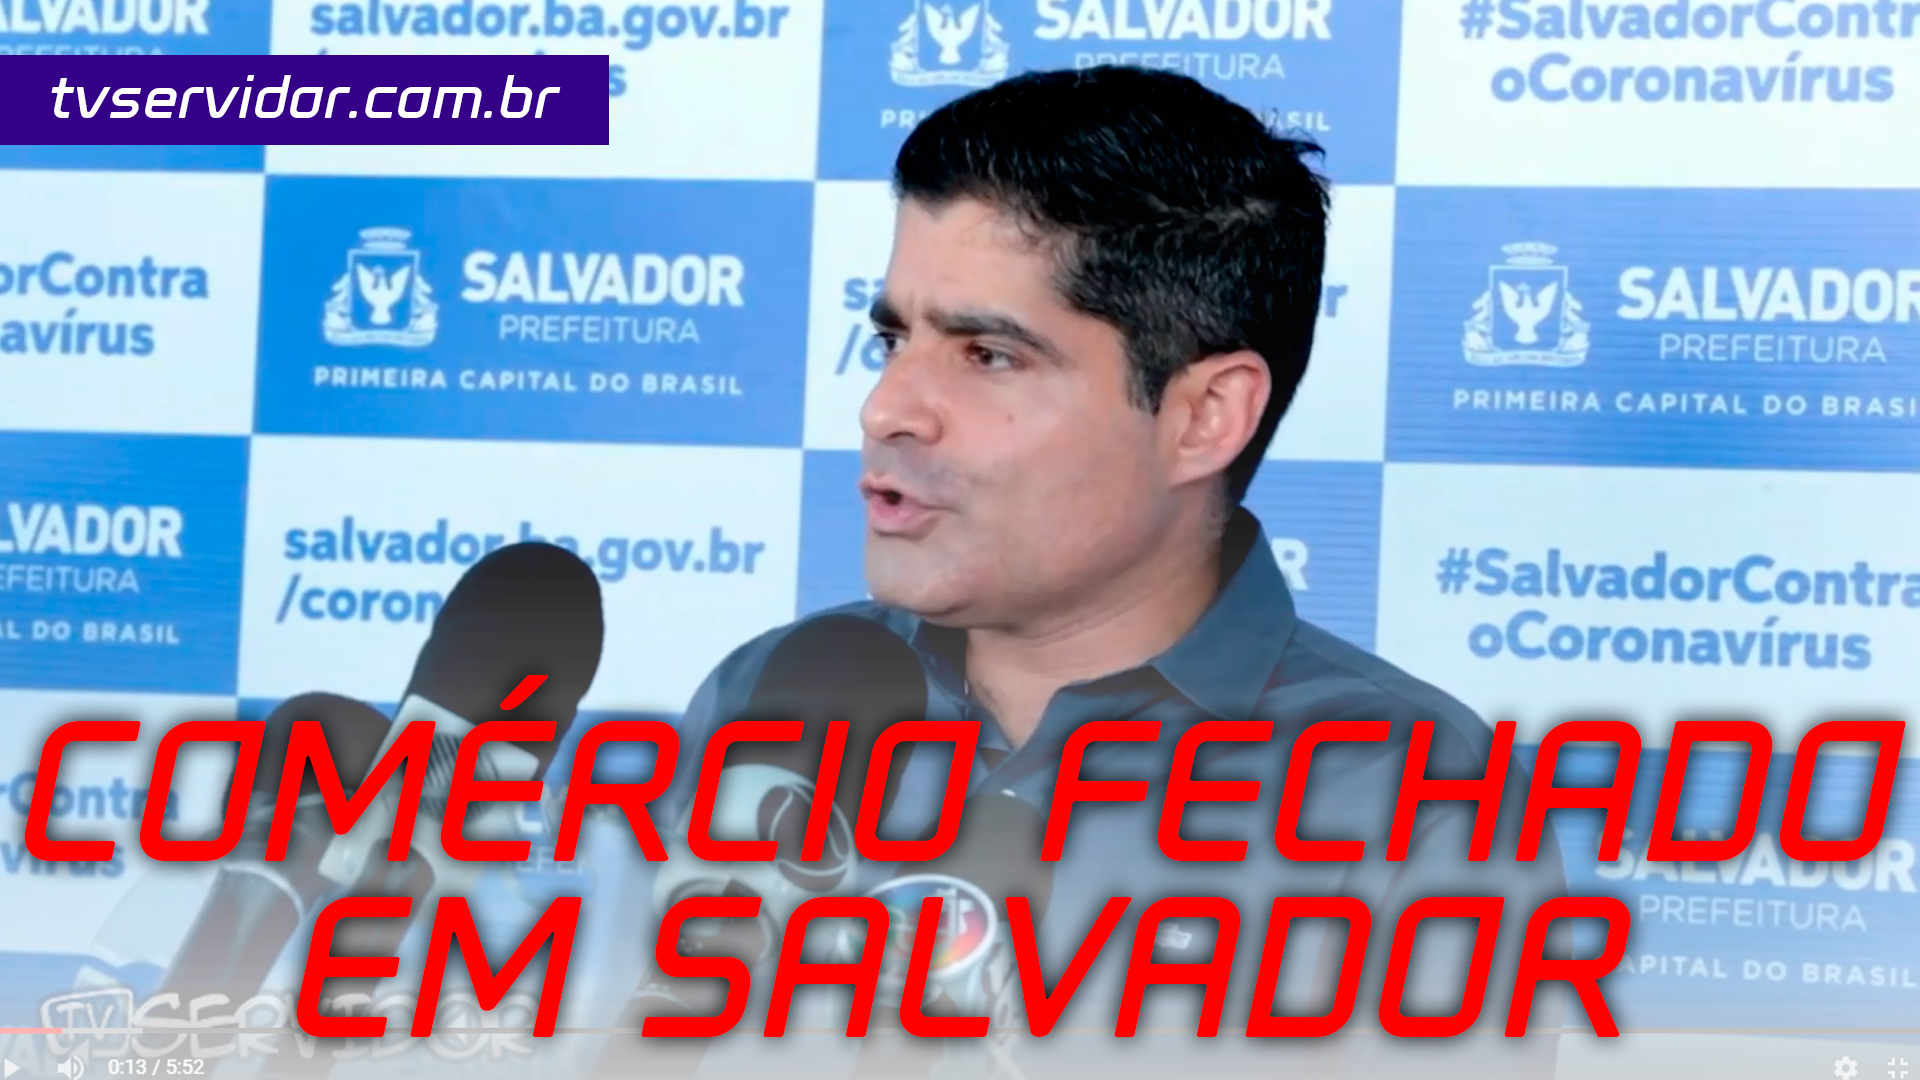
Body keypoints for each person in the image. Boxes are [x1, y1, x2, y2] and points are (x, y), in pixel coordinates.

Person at [655, 66, 1571, 1079]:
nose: (886, 409)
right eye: (893, 338)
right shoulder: (771, 690)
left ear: (1204, 416)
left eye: (987, 355)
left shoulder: (1425, 797)